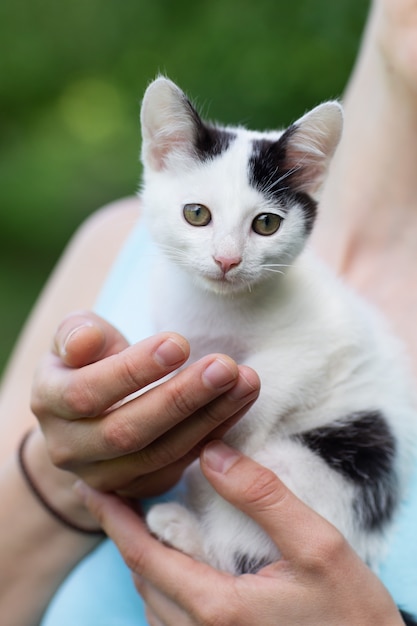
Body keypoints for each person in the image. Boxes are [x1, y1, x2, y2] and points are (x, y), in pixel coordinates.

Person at [1, 0, 416, 624]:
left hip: (333, 462)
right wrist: (63, 471)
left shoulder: (313, 311)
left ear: (306, 192)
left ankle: (223, 552)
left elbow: (309, 358)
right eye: (198, 215)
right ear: (160, 157)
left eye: (265, 224)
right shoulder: (112, 247)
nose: (226, 256)